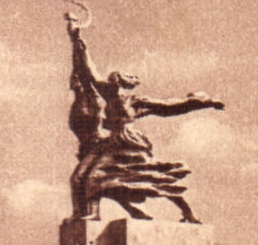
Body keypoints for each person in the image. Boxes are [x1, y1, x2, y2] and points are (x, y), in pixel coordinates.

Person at [66, 12, 224, 223]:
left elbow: (171, 107)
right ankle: (93, 213)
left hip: (129, 143)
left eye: (115, 77)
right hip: (111, 144)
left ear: (122, 82)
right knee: (83, 176)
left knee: (139, 178)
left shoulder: (136, 102)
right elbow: (88, 69)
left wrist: (205, 102)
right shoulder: (109, 95)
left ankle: (187, 211)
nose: (110, 79)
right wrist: (76, 38)